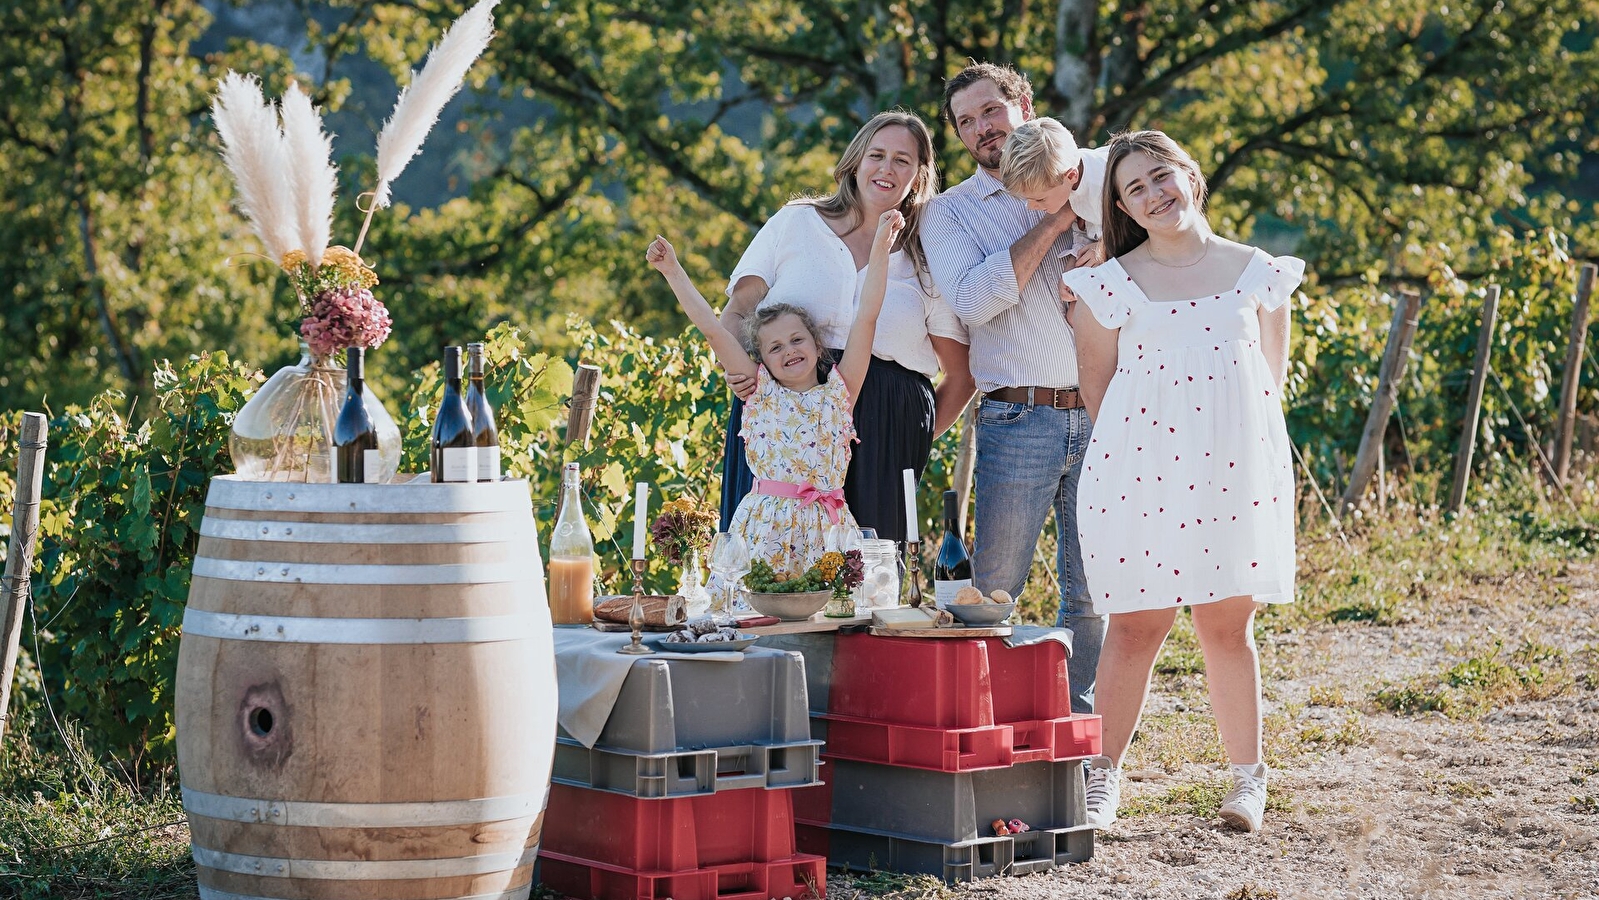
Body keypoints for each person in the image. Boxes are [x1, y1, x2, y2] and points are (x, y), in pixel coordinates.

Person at [1064, 130, 1302, 833]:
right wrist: (1144, 457)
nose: (1153, 195)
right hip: (1141, 472)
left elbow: (1269, 381)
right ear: (1122, 208)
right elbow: (1097, 386)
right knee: (1136, 625)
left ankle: (1247, 780)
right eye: (1134, 188)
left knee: (1226, 625)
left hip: (1233, 470)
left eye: (1160, 176)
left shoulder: (1257, 272)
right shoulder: (1109, 284)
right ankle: (1103, 776)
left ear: (1189, 176)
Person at [920, 62, 1103, 714]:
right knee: (993, 588)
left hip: (1103, 412)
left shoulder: (1090, 178)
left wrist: (1089, 219)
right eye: (965, 122)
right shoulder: (948, 214)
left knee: (1092, 592)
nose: (980, 129)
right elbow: (972, 301)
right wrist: (1053, 219)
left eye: (989, 111)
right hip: (1017, 417)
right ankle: (986, 726)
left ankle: (1077, 733)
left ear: (1023, 105)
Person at [718, 110, 975, 544]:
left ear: (919, 176)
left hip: (886, 423)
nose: (886, 168)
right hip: (784, 420)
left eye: (902, 160)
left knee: (869, 570)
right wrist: (743, 376)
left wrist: (908, 436)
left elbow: (962, 374)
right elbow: (737, 312)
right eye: (877, 155)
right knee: (766, 559)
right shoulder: (796, 222)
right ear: (855, 161)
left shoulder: (927, 254)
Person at [647, 208, 905, 576]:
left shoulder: (839, 392)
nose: (789, 351)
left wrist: (880, 248)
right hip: (764, 531)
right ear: (763, 360)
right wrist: (673, 271)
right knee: (758, 604)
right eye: (776, 347)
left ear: (816, 345)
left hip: (828, 533)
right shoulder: (760, 392)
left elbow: (866, 316)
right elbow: (713, 330)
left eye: (797, 340)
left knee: (830, 605)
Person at [998, 116, 1109, 262]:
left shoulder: (1107, 183)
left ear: (1071, 176)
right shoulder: (1067, 180)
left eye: (1040, 199)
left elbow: (1135, 226)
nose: (1030, 207)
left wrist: (1104, 248)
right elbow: (1084, 230)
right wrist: (1075, 265)